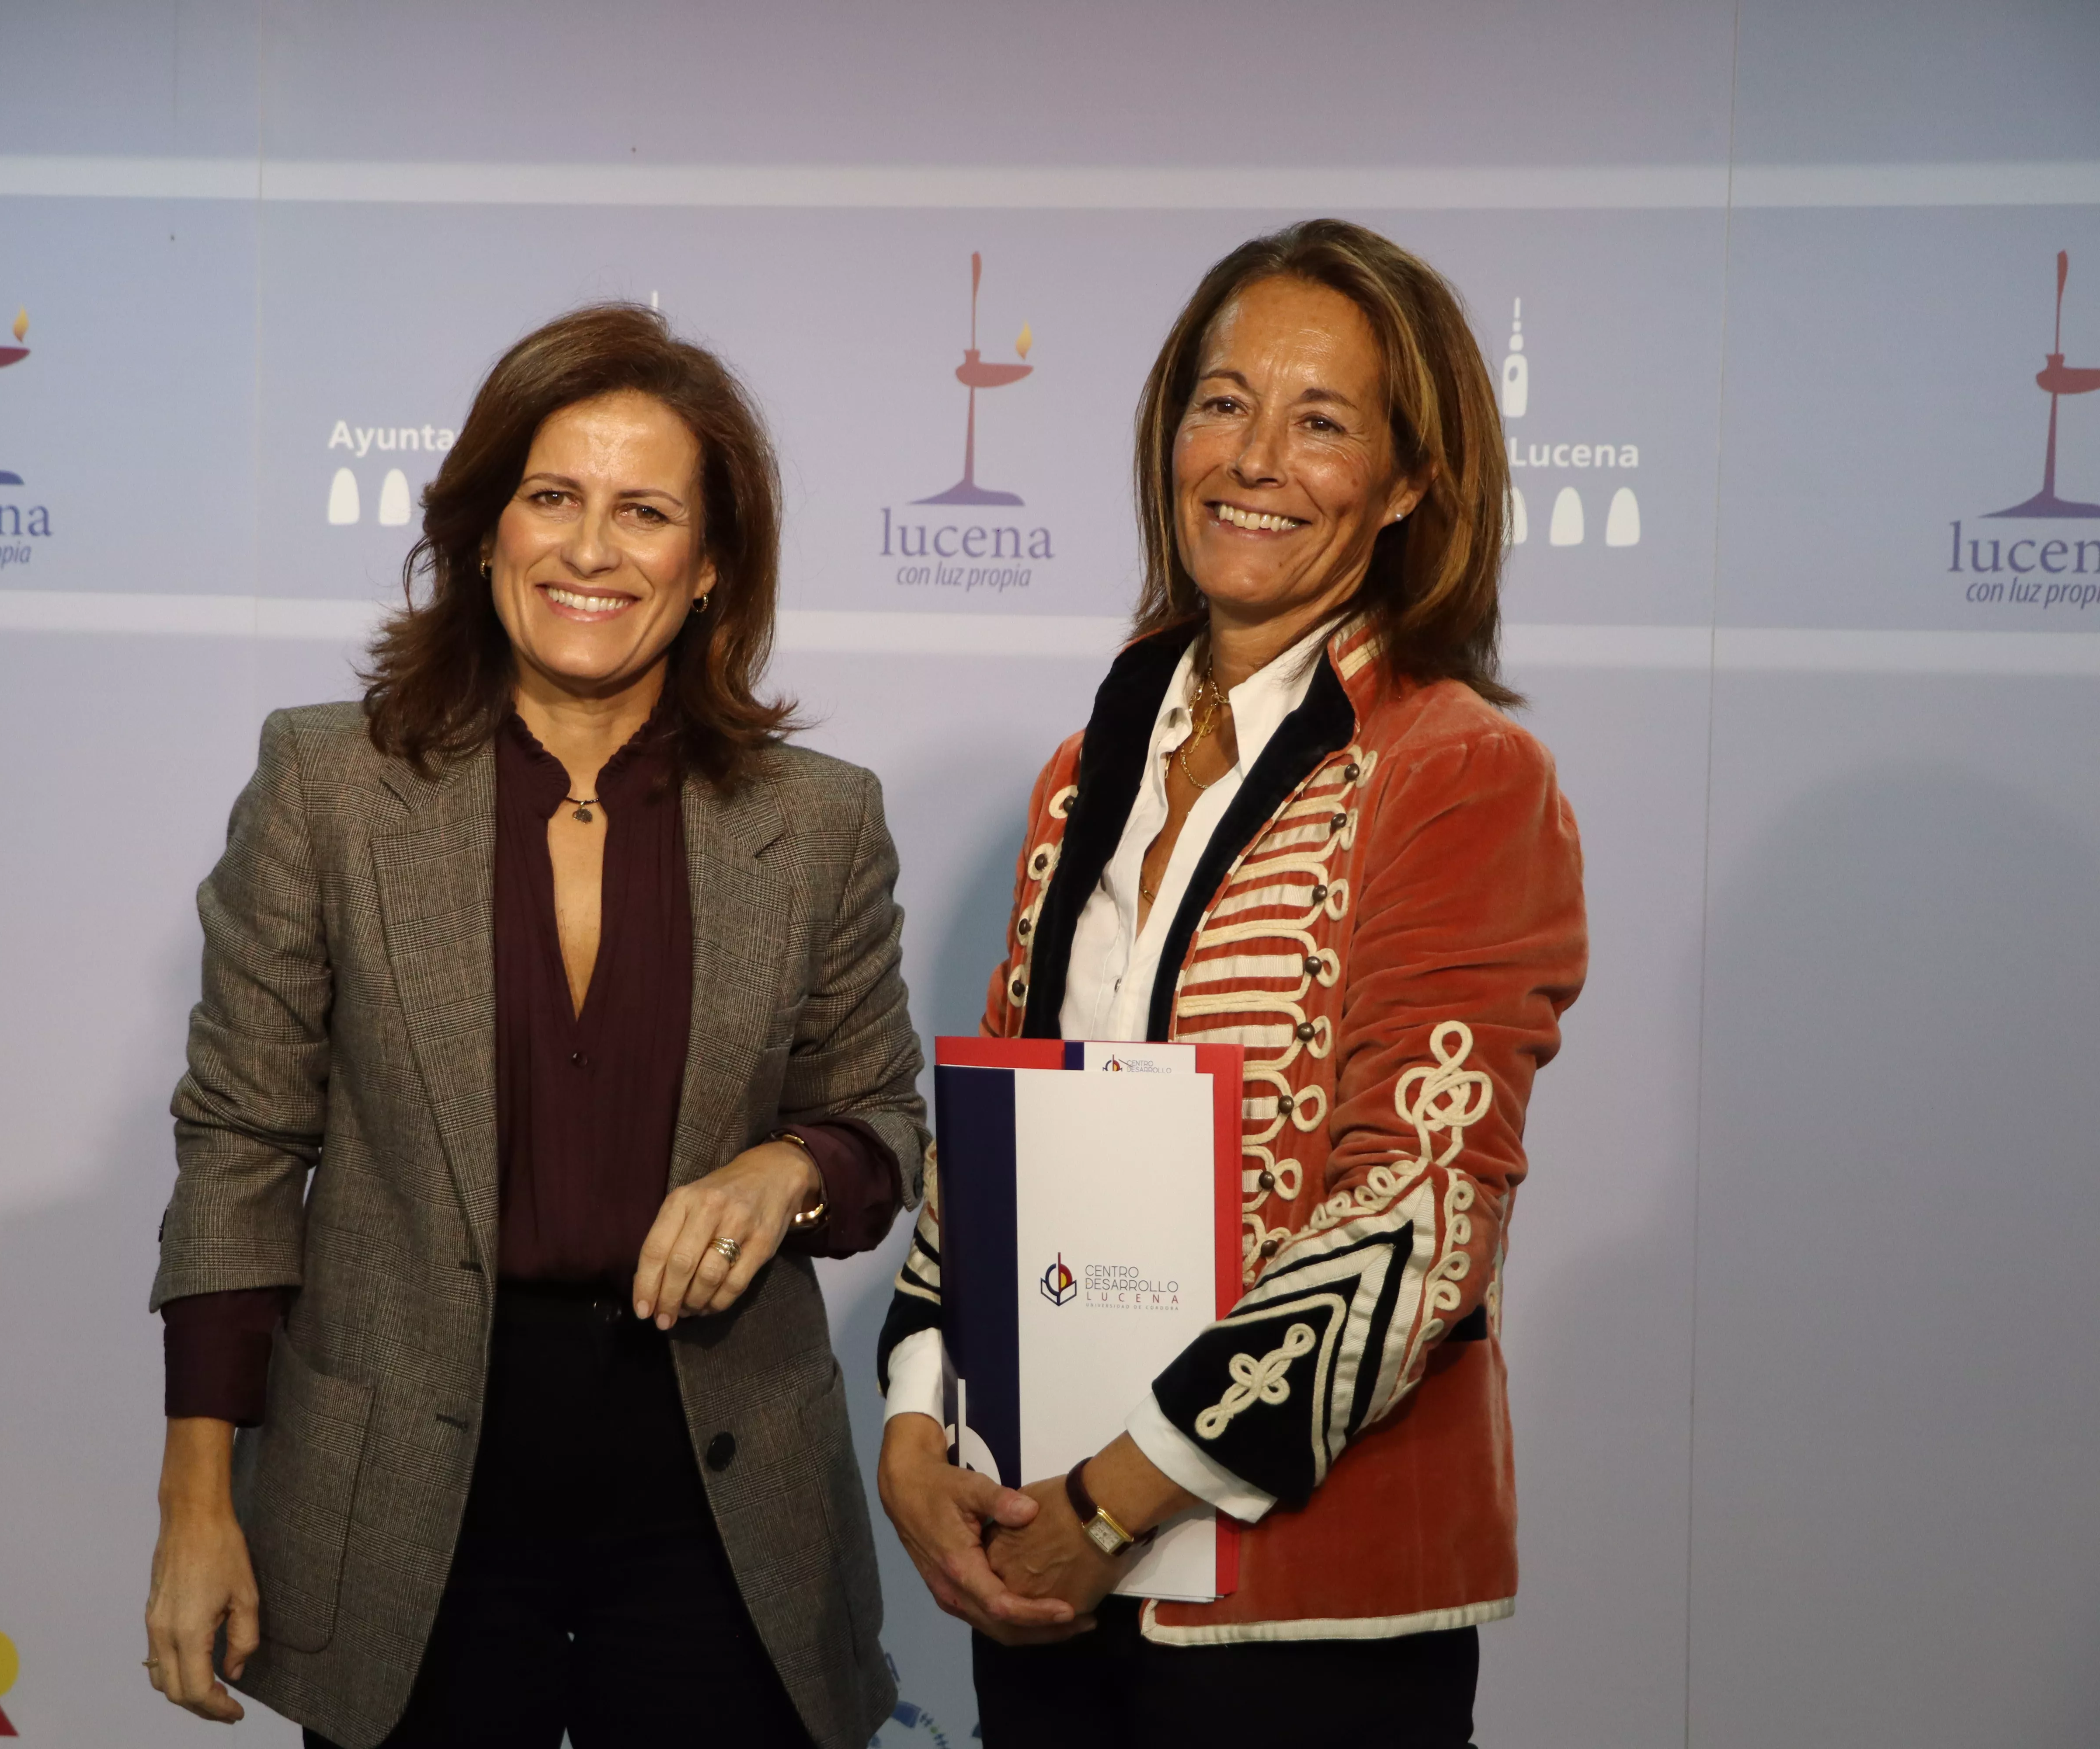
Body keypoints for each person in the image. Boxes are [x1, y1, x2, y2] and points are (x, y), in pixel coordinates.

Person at [143, 303, 925, 1749]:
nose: (588, 549)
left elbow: (881, 1122)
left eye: (644, 512)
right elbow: (242, 1150)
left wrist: (789, 1169)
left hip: (718, 1503)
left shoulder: (818, 823)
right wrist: (201, 1502)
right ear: (482, 530)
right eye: (551, 497)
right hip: (408, 1512)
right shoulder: (326, 784)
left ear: (708, 570)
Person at [873, 219, 1589, 1747]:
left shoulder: (1460, 773)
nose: (1255, 457)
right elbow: (1004, 1121)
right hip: (1039, 1564)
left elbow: (1417, 1213)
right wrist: (918, 1422)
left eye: (1322, 421)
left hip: (1304, 1605)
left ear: (1407, 486)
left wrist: (1117, 1497)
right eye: (1222, 402)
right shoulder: (1090, 766)